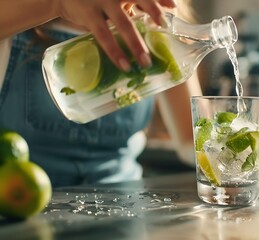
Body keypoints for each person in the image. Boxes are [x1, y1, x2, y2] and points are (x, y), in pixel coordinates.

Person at [0, 0, 201, 187]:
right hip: (24, 206)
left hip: (125, 207)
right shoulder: (15, 13)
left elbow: (190, 140)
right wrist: (58, 4)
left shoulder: (157, 19)